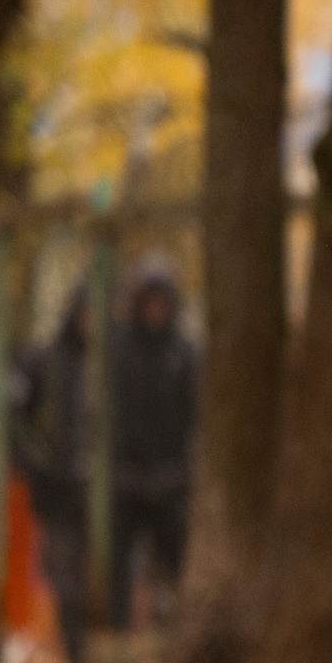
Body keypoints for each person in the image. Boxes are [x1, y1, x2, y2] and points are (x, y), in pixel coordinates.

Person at [109, 257, 195, 631]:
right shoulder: (119, 349)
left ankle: (168, 629)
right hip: (125, 475)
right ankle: (118, 628)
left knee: (171, 564)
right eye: (149, 300)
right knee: (119, 563)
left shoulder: (184, 353)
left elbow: (193, 414)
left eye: (162, 301)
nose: (156, 309)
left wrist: (182, 471)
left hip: (171, 477)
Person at [16, 287, 93, 663]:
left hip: (107, 490)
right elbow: (15, 419)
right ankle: (65, 653)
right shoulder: (44, 361)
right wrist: (36, 464)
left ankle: (86, 654)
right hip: (57, 488)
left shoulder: (108, 364)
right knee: (60, 570)